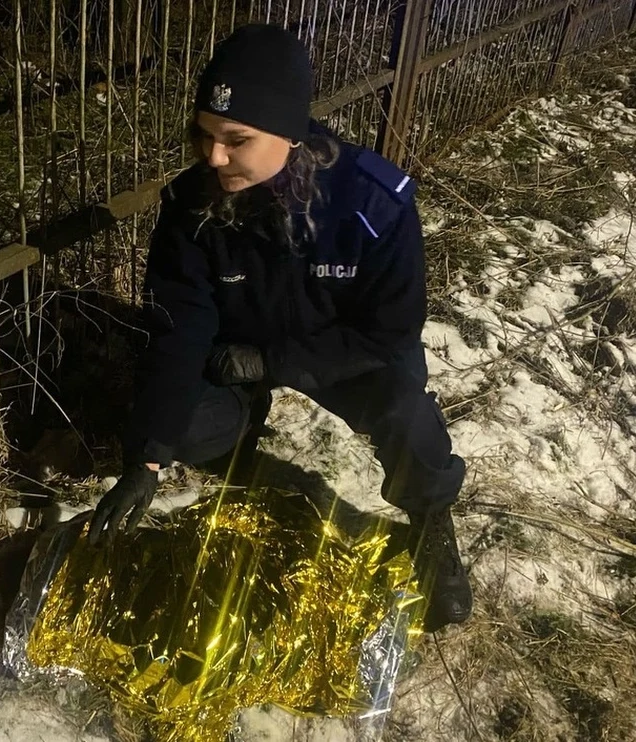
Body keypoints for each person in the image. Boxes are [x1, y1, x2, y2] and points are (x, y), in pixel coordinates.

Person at [86, 23, 471, 631]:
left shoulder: (372, 205)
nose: (213, 157)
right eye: (204, 135)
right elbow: (178, 330)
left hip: (343, 354)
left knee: (406, 408)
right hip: (234, 350)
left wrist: (274, 363)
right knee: (184, 425)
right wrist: (148, 458)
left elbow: (388, 334)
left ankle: (430, 522)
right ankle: (241, 436)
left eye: (235, 140)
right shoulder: (193, 207)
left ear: (289, 134)